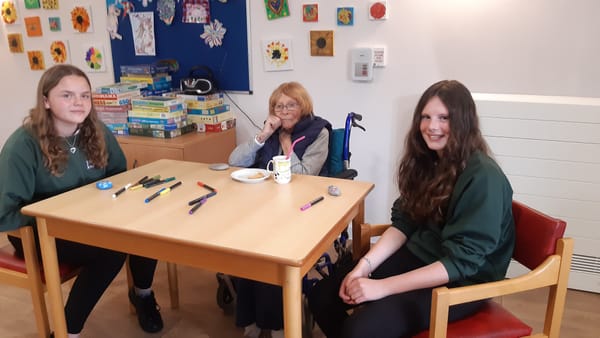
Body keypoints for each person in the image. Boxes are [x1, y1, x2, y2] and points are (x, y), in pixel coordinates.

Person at [308, 80, 516, 338]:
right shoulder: (429, 160)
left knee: (360, 329)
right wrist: (363, 266)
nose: (432, 126)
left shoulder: (484, 177)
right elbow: (404, 222)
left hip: (461, 281)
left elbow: (460, 264)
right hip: (423, 256)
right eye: (426, 117)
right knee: (322, 296)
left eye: (444, 118)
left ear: (464, 122)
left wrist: (381, 287)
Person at [0, 64, 163, 337]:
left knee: (146, 225)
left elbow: (118, 175)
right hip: (39, 230)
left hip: (91, 218)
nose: (78, 102)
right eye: (67, 95)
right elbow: (5, 212)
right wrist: (52, 214)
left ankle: (142, 294)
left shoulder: (95, 130)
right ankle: (67, 331)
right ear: (45, 101)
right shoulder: (23, 146)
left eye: (84, 95)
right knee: (111, 251)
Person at [229, 81, 332, 338]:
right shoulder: (271, 131)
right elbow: (234, 162)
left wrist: (287, 145)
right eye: (279, 106)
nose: (284, 110)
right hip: (264, 205)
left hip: (300, 207)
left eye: (291, 105)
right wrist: (263, 134)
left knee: (272, 252)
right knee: (245, 248)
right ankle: (250, 318)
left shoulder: (319, 132)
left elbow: (305, 175)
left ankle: (275, 324)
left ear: (303, 106)